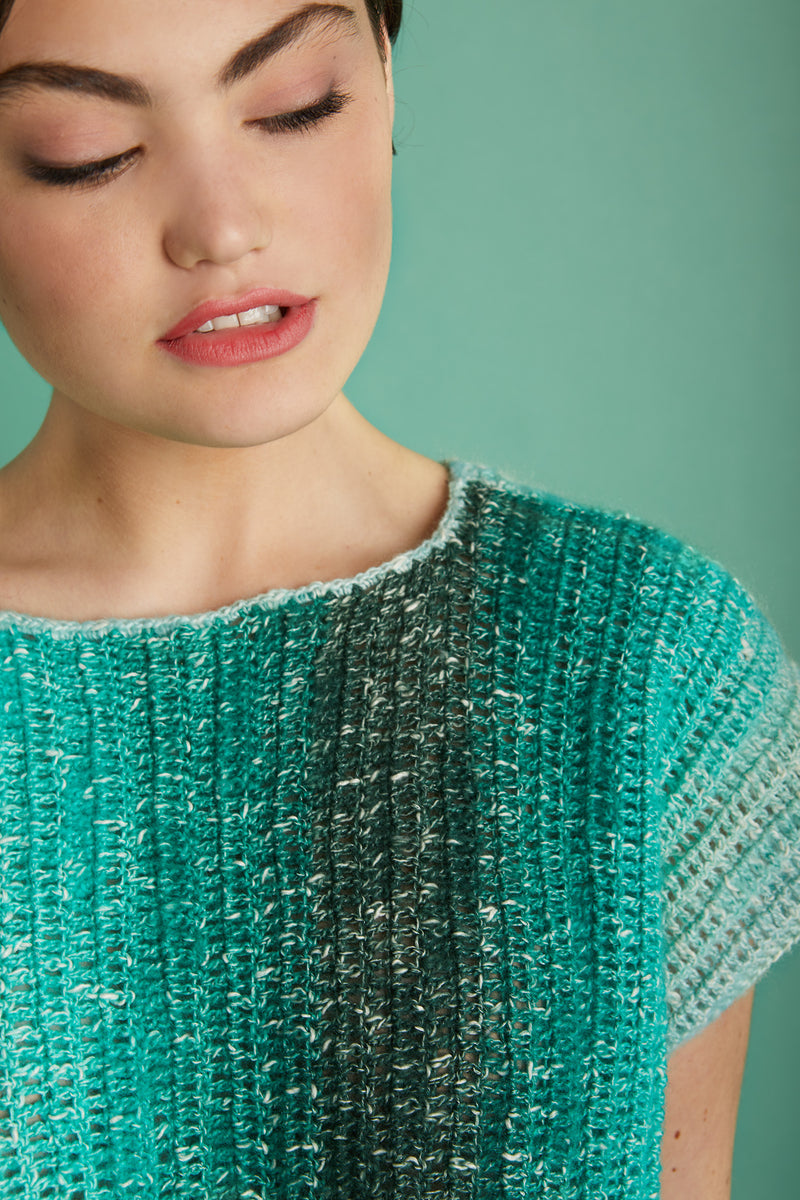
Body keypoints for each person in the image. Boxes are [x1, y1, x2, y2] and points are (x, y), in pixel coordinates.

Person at [0, 2, 796, 1198]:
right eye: (87, 154)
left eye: (292, 107)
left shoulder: (642, 660)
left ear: (382, 74)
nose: (221, 228)